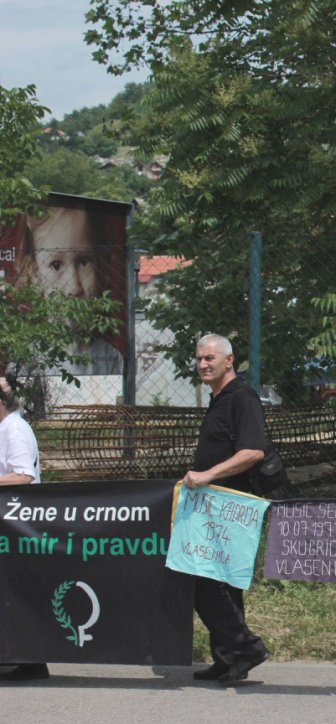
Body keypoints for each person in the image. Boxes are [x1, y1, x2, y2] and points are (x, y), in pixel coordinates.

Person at [181, 334, 269, 685]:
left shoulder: (242, 397)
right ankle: (228, 657)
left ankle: (247, 648)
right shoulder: (218, 398)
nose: (203, 364)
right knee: (218, 584)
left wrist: (207, 475)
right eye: (199, 358)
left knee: (208, 584)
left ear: (229, 360)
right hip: (210, 506)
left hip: (232, 505)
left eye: (210, 358)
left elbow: (253, 451)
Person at [18, 207, 123, 375]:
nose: (74, 288)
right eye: (56, 265)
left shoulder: (111, 359)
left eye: (84, 261)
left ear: (100, 265)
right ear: (34, 273)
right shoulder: (27, 360)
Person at [0, 373, 49, 682]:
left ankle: (31, 660)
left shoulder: (14, 430)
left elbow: (23, 476)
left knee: (17, 588)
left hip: (18, 521)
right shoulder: (6, 428)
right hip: (9, 521)